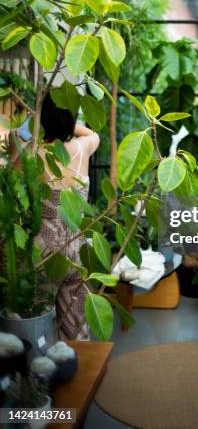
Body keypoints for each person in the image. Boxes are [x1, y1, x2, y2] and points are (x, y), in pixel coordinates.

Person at [38, 93, 99, 340]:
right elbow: (93, 134)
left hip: (43, 247)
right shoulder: (83, 148)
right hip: (76, 245)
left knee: (38, 316)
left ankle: (40, 372)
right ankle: (78, 368)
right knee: (75, 321)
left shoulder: (34, 152)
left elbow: (13, 141)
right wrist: (65, 123)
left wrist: (41, 122)